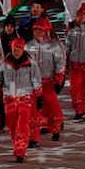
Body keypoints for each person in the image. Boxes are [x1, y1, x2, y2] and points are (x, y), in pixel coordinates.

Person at [0, 37, 42, 163]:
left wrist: (39, 95)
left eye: (19, 49)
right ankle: (17, 144)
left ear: (23, 49)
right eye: (15, 49)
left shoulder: (30, 63)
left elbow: (36, 79)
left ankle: (20, 151)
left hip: (25, 98)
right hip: (9, 98)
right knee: (12, 125)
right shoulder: (6, 62)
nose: (16, 51)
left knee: (22, 125)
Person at [25, 19, 65, 147]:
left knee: (52, 107)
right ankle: (33, 137)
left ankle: (56, 128)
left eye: (40, 30)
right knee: (34, 110)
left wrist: (59, 80)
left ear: (46, 31)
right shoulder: (28, 45)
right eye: (35, 30)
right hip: (33, 83)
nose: (37, 32)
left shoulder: (53, 45)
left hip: (48, 82)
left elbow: (60, 63)